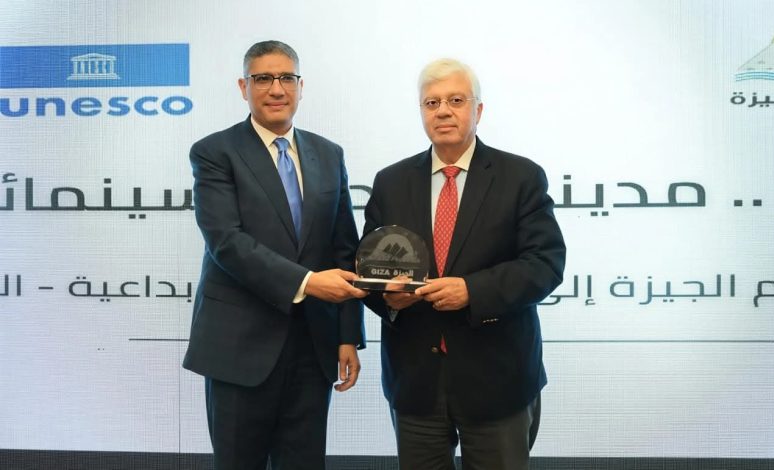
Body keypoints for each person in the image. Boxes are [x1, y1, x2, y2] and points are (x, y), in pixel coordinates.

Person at [362, 58, 566, 470]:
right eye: (431, 102)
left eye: (456, 100)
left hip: (497, 380)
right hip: (416, 381)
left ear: (478, 110)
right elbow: (368, 271)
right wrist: (388, 300)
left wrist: (472, 291)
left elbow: (545, 264)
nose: (443, 111)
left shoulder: (520, 177)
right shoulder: (390, 181)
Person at [182, 40, 367, 470]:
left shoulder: (329, 154)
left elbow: (344, 247)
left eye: (286, 78)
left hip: (313, 349)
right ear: (243, 86)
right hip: (239, 348)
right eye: (263, 78)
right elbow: (226, 241)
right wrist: (308, 282)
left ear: (301, 86)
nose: (276, 89)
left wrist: (346, 335)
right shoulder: (215, 152)